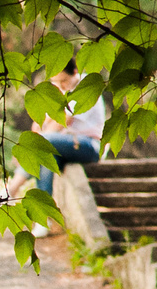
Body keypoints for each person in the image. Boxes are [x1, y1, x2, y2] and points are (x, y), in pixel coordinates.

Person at [33, 64, 105, 193]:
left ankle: (14, 187)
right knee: (47, 158)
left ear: (75, 72)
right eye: (56, 82)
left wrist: (39, 141)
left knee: (41, 143)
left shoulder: (87, 86)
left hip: (90, 144)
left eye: (64, 80)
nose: (61, 85)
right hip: (68, 144)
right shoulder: (62, 89)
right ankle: (44, 201)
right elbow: (42, 122)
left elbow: (64, 121)